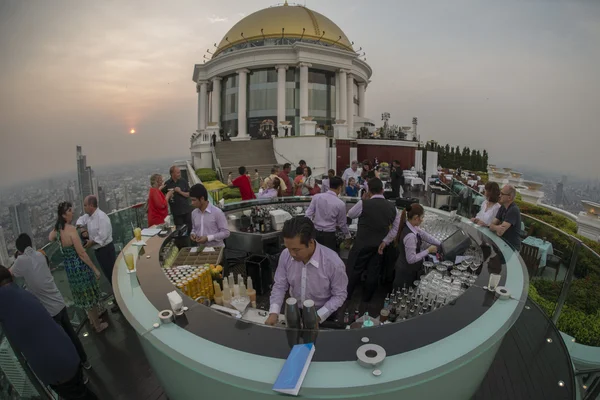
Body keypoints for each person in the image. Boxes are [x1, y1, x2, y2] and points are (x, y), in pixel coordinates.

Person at [0, 266, 99, 399]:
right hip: (67, 351)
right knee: (82, 392)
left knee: (78, 396)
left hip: (54, 365)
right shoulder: (23, 293)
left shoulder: (4, 301)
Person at [10, 234, 90, 370]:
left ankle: (75, 369)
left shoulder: (21, 261)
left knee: (60, 342)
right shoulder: (41, 255)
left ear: (19, 250)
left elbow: (8, 273)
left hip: (48, 311)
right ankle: (85, 361)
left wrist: (17, 258)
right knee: (71, 334)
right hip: (59, 302)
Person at [265, 217, 348, 326]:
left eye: (296, 250)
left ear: (311, 242)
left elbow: (339, 295)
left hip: (324, 312)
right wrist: (274, 312)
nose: (292, 254)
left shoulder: (333, 263)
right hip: (295, 309)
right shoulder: (285, 255)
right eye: (288, 248)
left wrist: (318, 316)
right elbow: (280, 285)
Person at [49, 202, 108, 332]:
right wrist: (95, 269)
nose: (72, 212)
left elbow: (51, 237)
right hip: (80, 268)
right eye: (70, 210)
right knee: (90, 299)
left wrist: (58, 226)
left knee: (83, 297)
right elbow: (81, 254)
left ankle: (93, 322)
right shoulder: (71, 230)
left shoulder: (58, 230)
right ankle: (98, 326)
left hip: (70, 269)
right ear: (64, 214)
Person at [346, 178, 400, 303]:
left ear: (368, 191)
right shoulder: (393, 207)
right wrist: (385, 241)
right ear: (382, 190)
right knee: (373, 273)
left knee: (354, 270)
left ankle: (347, 296)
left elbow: (351, 214)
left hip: (362, 244)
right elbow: (396, 228)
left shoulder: (364, 203)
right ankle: (367, 300)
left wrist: (363, 200)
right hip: (379, 245)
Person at [76, 195, 119, 313]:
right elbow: (79, 221)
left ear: (91, 205)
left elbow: (103, 236)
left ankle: (120, 302)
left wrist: (91, 242)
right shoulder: (88, 217)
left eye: (85, 205)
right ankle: (118, 299)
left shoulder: (102, 217)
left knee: (112, 276)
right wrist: (82, 229)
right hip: (99, 251)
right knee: (109, 275)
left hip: (106, 250)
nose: (84, 207)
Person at [393, 204, 441, 289]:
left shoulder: (410, 225)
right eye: (422, 217)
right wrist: (428, 251)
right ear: (416, 217)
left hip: (405, 268)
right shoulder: (410, 236)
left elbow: (425, 235)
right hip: (406, 272)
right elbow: (411, 259)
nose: (422, 220)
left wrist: (440, 243)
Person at [305, 177, 351, 252]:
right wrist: (347, 235)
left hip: (316, 233)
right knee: (329, 258)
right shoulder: (340, 204)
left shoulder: (317, 197)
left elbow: (308, 214)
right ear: (340, 187)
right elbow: (342, 224)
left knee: (316, 256)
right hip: (329, 236)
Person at [490, 185, 522, 250]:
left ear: (509, 197)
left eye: (502, 194)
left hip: (511, 248)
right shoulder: (503, 207)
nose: (499, 196)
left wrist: (495, 227)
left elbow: (500, 232)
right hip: (502, 244)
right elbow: (491, 225)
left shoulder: (513, 210)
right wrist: (496, 227)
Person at [162, 165, 193, 235]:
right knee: (179, 231)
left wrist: (180, 192)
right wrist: (168, 196)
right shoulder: (167, 184)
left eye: (179, 172)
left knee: (190, 229)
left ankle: (191, 244)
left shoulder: (183, 181)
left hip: (186, 210)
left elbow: (189, 194)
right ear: (172, 174)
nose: (179, 174)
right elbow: (162, 196)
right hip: (176, 212)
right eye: (178, 173)